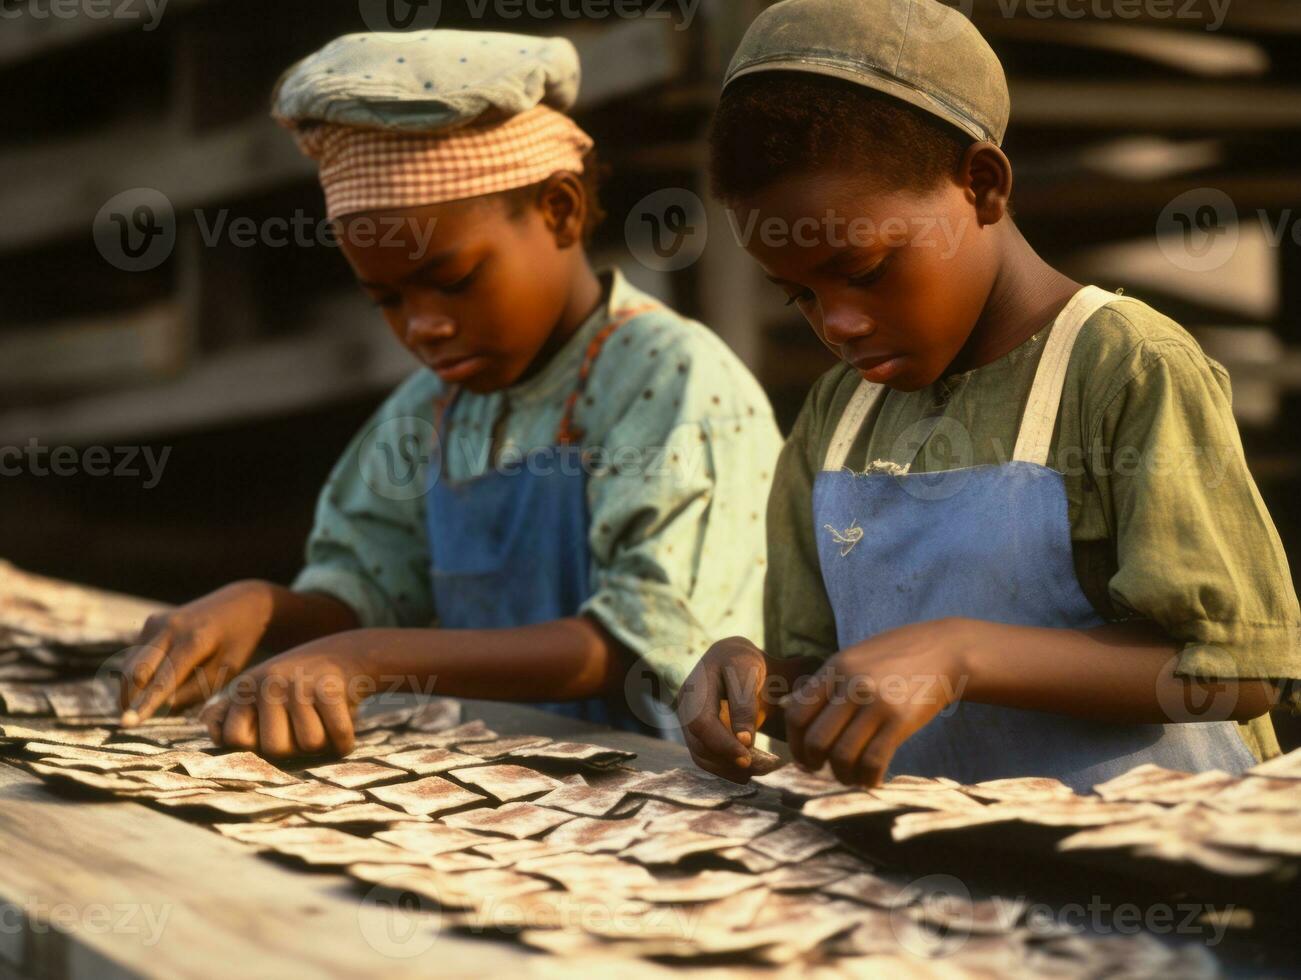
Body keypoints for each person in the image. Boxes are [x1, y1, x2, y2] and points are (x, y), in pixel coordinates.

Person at [679, 0, 1300, 793]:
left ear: (980, 184)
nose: (837, 322)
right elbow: (826, 674)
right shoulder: (839, 416)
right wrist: (752, 683)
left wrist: (963, 653)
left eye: (865, 271)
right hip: (920, 879)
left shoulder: (1123, 368)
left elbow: (1246, 671)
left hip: (1142, 874)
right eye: (796, 295)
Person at [115, 29, 782, 756]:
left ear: (558, 209)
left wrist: (367, 659)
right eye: (387, 300)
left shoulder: (672, 379)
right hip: (507, 795)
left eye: (456, 280)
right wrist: (260, 608)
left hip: (670, 797)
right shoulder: (428, 413)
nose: (425, 327)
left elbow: (635, 641)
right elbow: (366, 589)